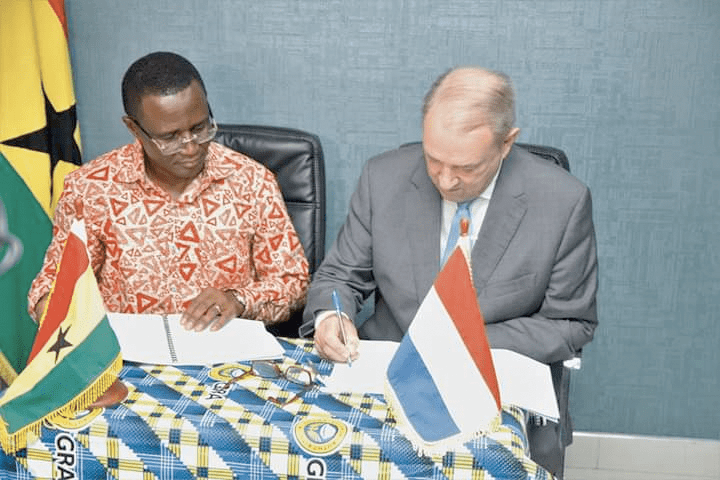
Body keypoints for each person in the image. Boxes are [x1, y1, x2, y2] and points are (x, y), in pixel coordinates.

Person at [301, 67, 598, 477]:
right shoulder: (382, 177)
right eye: (433, 159)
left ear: (506, 143)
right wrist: (331, 316)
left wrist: (458, 343)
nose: (445, 179)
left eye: (466, 168)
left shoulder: (563, 202)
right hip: (386, 373)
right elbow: (340, 276)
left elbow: (570, 323)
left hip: (493, 375)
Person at [28, 51, 309, 333]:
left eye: (200, 128)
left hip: (224, 360)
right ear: (134, 129)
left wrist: (238, 300)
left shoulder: (251, 181)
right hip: (129, 363)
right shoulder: (91, 189)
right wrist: (54, 311)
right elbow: (53, 285)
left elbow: (293, 285)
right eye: (170, 137)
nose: (190, 148)